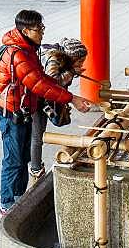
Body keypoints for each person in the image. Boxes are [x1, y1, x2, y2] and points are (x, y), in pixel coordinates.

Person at [0, 10, 93, 215]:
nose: (42, 33)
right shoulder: (18, 54)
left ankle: (18, 197)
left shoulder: (28, 48)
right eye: (39, 29)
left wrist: (70, 91)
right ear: (26, 30)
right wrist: (72, 99)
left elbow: (44, 79)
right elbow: (38, 84)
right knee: (13, 160)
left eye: (42, 28)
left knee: (22, 157)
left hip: (23, 111)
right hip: (11, 114)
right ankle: (6, 204)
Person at [28, 38, 88, 183]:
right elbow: (51, 84)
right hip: (36, 98)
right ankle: (35, 168)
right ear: (72, 57)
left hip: (42, 98)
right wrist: (71, 72)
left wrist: (73, 71)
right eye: (80, 61)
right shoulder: (53, 59)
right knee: (37, 135)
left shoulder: (62, 59)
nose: (82, 64)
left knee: (37, 134)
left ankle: (34, 164)